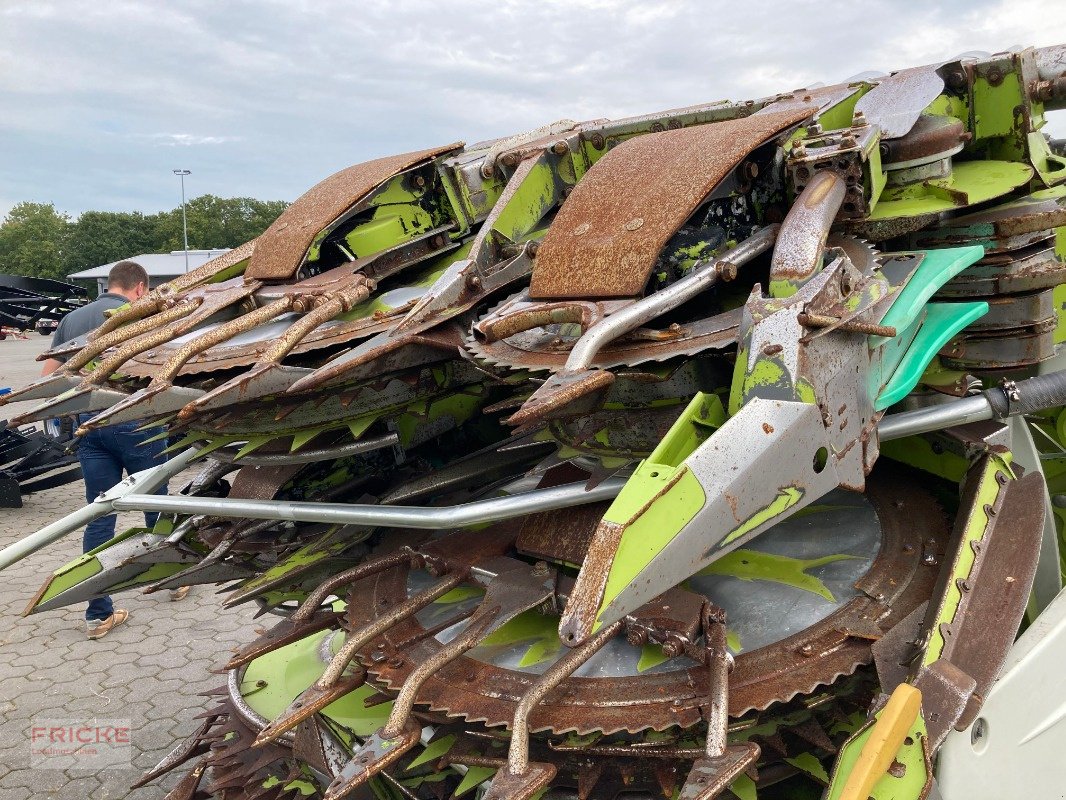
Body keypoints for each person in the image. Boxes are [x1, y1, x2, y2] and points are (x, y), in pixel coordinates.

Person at [42, 261, 190, 640]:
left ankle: (97, 614)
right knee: (158, 505)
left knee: (100, 513)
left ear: (110, 284)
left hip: (89, 429)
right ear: (139, 288)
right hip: (138, 425)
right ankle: (172, 580)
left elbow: (49, 378)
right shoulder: (144, 316)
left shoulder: (72, 320)